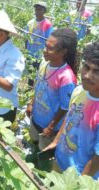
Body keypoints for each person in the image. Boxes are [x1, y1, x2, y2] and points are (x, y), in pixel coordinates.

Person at [43, 41, 99, 180]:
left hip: (78, 176)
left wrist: (80, 183)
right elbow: (69, 117)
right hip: (60, 161)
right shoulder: (79, 91)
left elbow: (97, 157)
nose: (87, 75)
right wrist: (55, 142)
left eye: (96, 72)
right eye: (86, 67)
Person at [26, 28, 78, 151]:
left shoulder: (66, 77)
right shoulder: (44, 64)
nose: (45, 50)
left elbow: (65, 108)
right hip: (36, 117)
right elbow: (38, 84)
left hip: (48, 127)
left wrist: (51, 127)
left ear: (63, 52)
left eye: (50, 48)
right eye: (45, 46)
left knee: (42, 151)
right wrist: (31, 102)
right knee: (34, 141)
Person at [26, 1, 53, 69]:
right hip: (30, 54)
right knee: (30, 75)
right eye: (36, 9)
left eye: (40, 9)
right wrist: (26, 51)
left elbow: (49, 41)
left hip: (40, 56)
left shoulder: (48, 24)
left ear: (44, 11)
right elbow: (26, 39)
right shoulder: (30, 23)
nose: (37, 11)